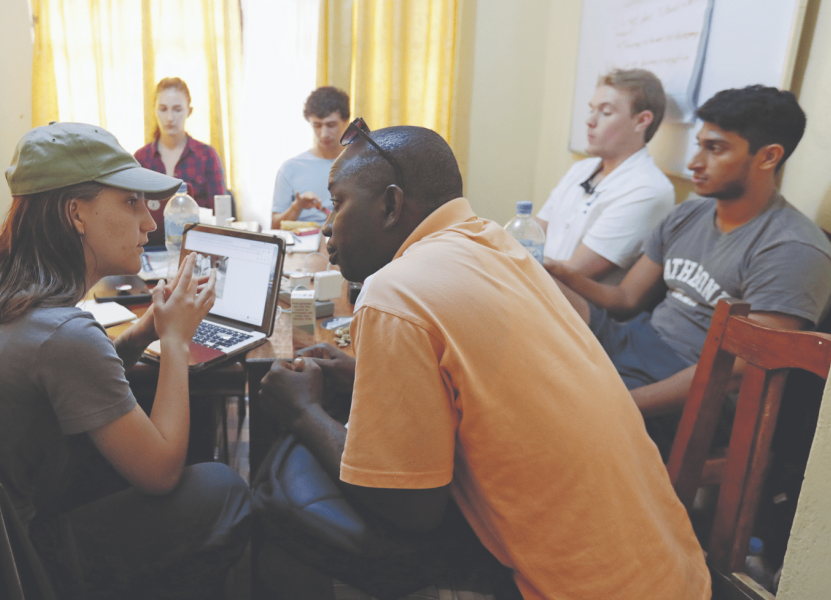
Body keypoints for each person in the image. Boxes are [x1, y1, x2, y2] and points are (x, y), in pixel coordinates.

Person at [255, 122, 709, 599]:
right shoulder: (497, 244)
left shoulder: (393, 292)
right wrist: (359, 373)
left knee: (280, 497)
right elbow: (488, 386)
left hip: (571, 589)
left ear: (390, 205)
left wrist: (301, 412)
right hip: (673, 574)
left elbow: (412, 508)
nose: (327, 224)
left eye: (338, 202)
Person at [0, 123, 251, 598]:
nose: (149, 223)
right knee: (220, 487)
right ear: (76, 213)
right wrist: (176, 340)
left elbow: (67, 379)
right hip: (6, 564)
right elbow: (160, 475)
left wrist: (142, 332)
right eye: (131, 202)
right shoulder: (63, 335)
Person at [546, 85, 831, 454]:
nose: (694, 163)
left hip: (692, 389)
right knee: (525, 309)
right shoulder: (690, 214)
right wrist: (557, 274)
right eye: (699, 144)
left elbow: (738, 371)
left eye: (714, 148)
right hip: (635, 341)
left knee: (547, 409)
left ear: (768, 157)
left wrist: (622, 403)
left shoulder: (793, 250)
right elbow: (625, 298)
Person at [535, 69, 675, 283]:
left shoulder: (648, 189)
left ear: (641, 121)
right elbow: (532, 234)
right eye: (591, 110)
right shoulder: (581, 170)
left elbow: (575, 272)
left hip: (573, 305)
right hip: (536, 283)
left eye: (605, 112)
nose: (590, 121)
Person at [134, 77, 227, 244]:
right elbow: (130, 215)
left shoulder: (206, 156)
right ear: (154, 110)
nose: (170, 118)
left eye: (177, 110)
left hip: (197, 247)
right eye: (163, 109)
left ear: (189, 111)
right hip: (149, 248)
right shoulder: (141, 159)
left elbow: (220, 215)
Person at [270, 86, 349, 228]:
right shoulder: (290, 168)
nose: (324, 134)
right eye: (317, 125)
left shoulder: (360, 164)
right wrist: (297, 207)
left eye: (331, 125)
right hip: (304, 244)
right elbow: (275, 226)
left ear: (346, 122)